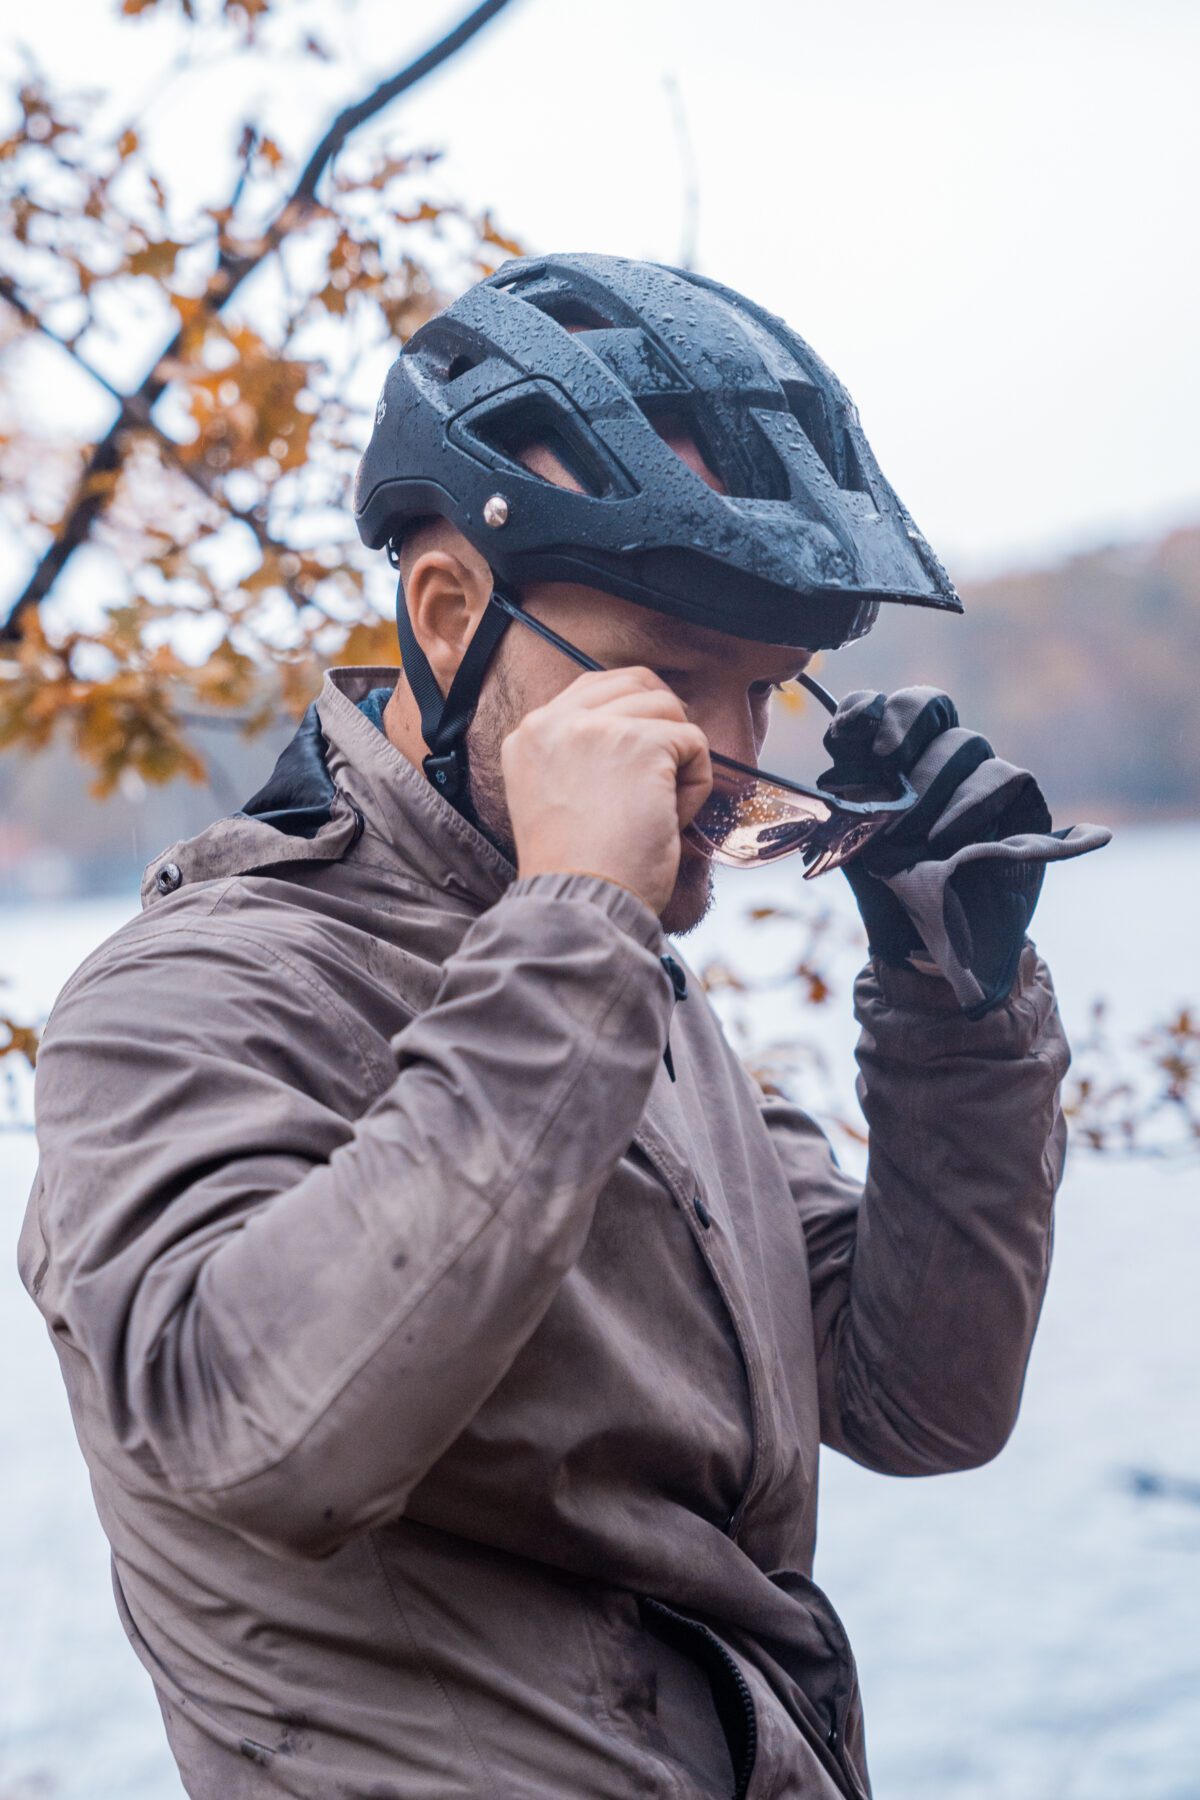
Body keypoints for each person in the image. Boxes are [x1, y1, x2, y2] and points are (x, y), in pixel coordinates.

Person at [19, 253, 1108, 1799]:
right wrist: (580, 924)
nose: (729, 758)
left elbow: (917, 1402)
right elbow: (250, 1437)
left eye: (766, 692)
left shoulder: (613, 987)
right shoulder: (191, 991)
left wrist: (957, 1019)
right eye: (671, 676)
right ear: (450, 614)